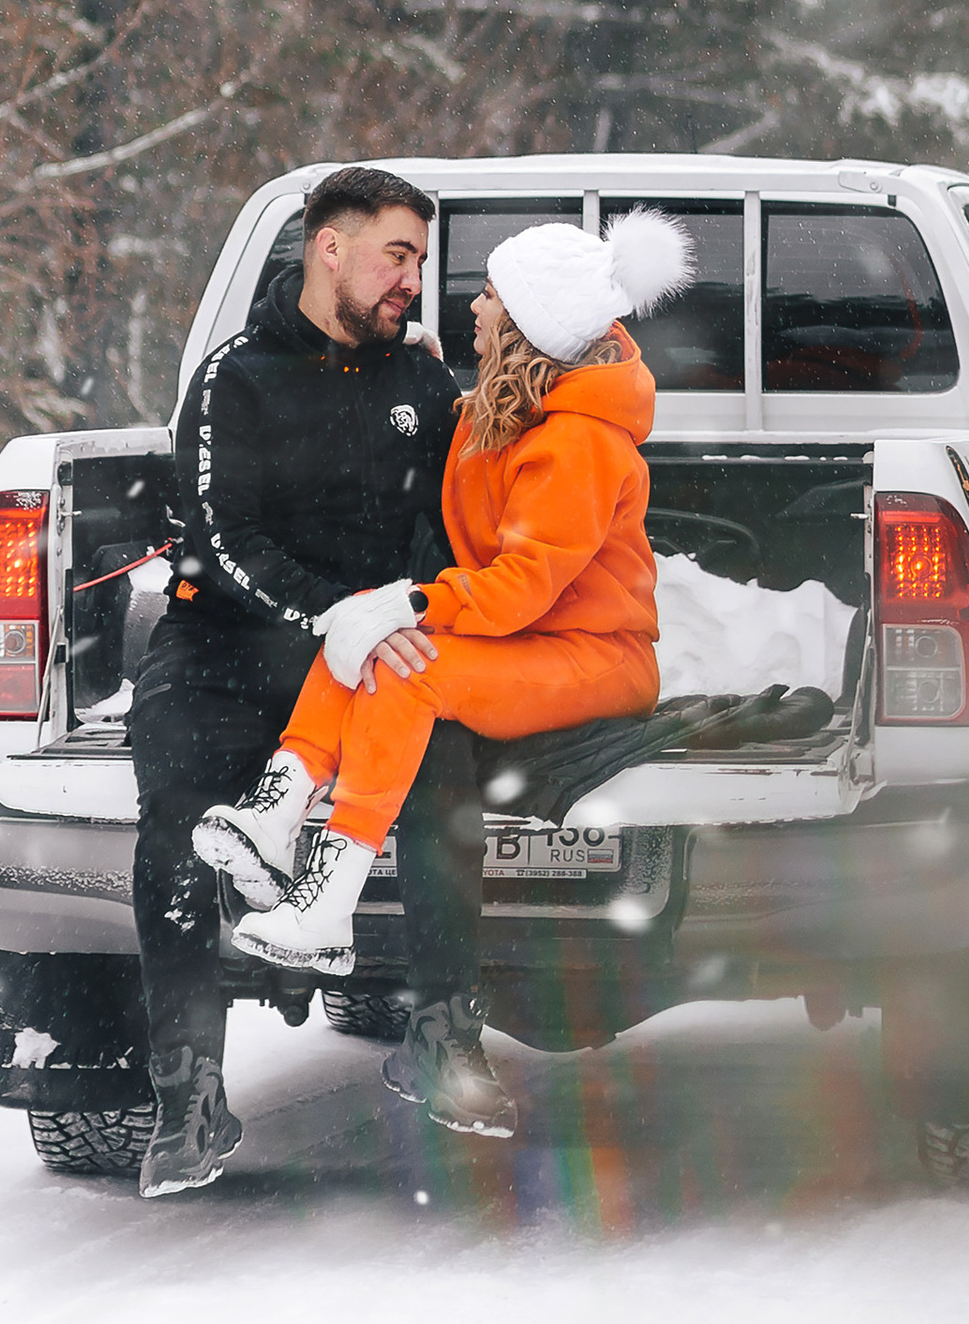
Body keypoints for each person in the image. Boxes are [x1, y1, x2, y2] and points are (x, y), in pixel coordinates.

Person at [192, 211, 691, 1047]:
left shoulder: (577, 442)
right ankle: (276, 815)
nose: (475, 306)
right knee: (364, 635)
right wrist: (404, 355)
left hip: (597, 660)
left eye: (493, 295)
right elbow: (468, 430)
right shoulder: (521, 404)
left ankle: (331, 896)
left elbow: (523, 588)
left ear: (532, 325)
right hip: (530, 642)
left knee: (404, 660)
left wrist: (416, 603)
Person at [129, 163, 482, 1198]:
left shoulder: (421, 385)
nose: (413, 279)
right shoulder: (235, 379)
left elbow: (451, 526)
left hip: (375, 661)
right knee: (179, 822)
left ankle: (446, 1036)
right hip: (226, 650)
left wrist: (406, 614)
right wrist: (334, 614)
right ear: (329, 246)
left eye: (419, 259)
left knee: (446, 769)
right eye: (397, 254)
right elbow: (219, 538)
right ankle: (185, 1089)